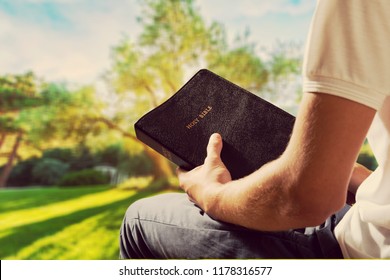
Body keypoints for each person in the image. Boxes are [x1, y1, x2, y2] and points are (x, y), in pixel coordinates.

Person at [119, 0, 390, 258]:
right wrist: (361, 178)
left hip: (359, 252)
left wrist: (211, 195)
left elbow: (305, 200)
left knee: (138, 221)